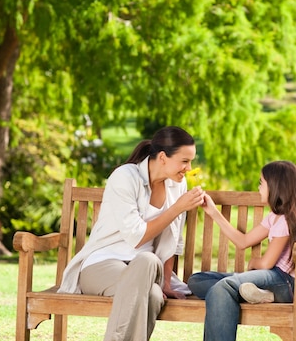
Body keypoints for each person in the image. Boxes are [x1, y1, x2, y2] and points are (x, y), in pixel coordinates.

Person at [58, 126, 206, 341]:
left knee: (152, 275)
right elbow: (136, 237)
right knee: (152, 294)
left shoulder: (177, 185)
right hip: (101, 265)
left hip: (147, 270)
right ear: (163, 157)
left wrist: (165, 283)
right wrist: (177, 208)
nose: (188, 168)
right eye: (184, 161)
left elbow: (173, 238)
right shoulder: (125, 177)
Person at [187, 160, 296, 341]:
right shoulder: (274, 217)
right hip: (271, 280)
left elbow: (267, 263)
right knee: (196, 280)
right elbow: (243, 241)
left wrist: (254, 263)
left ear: (276, 187)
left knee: (222, 289)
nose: (259, 187)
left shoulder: (287, 220)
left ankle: (257, 293)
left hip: (286, 283)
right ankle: (257, 294)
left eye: (262, 183)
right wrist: (213, 212)